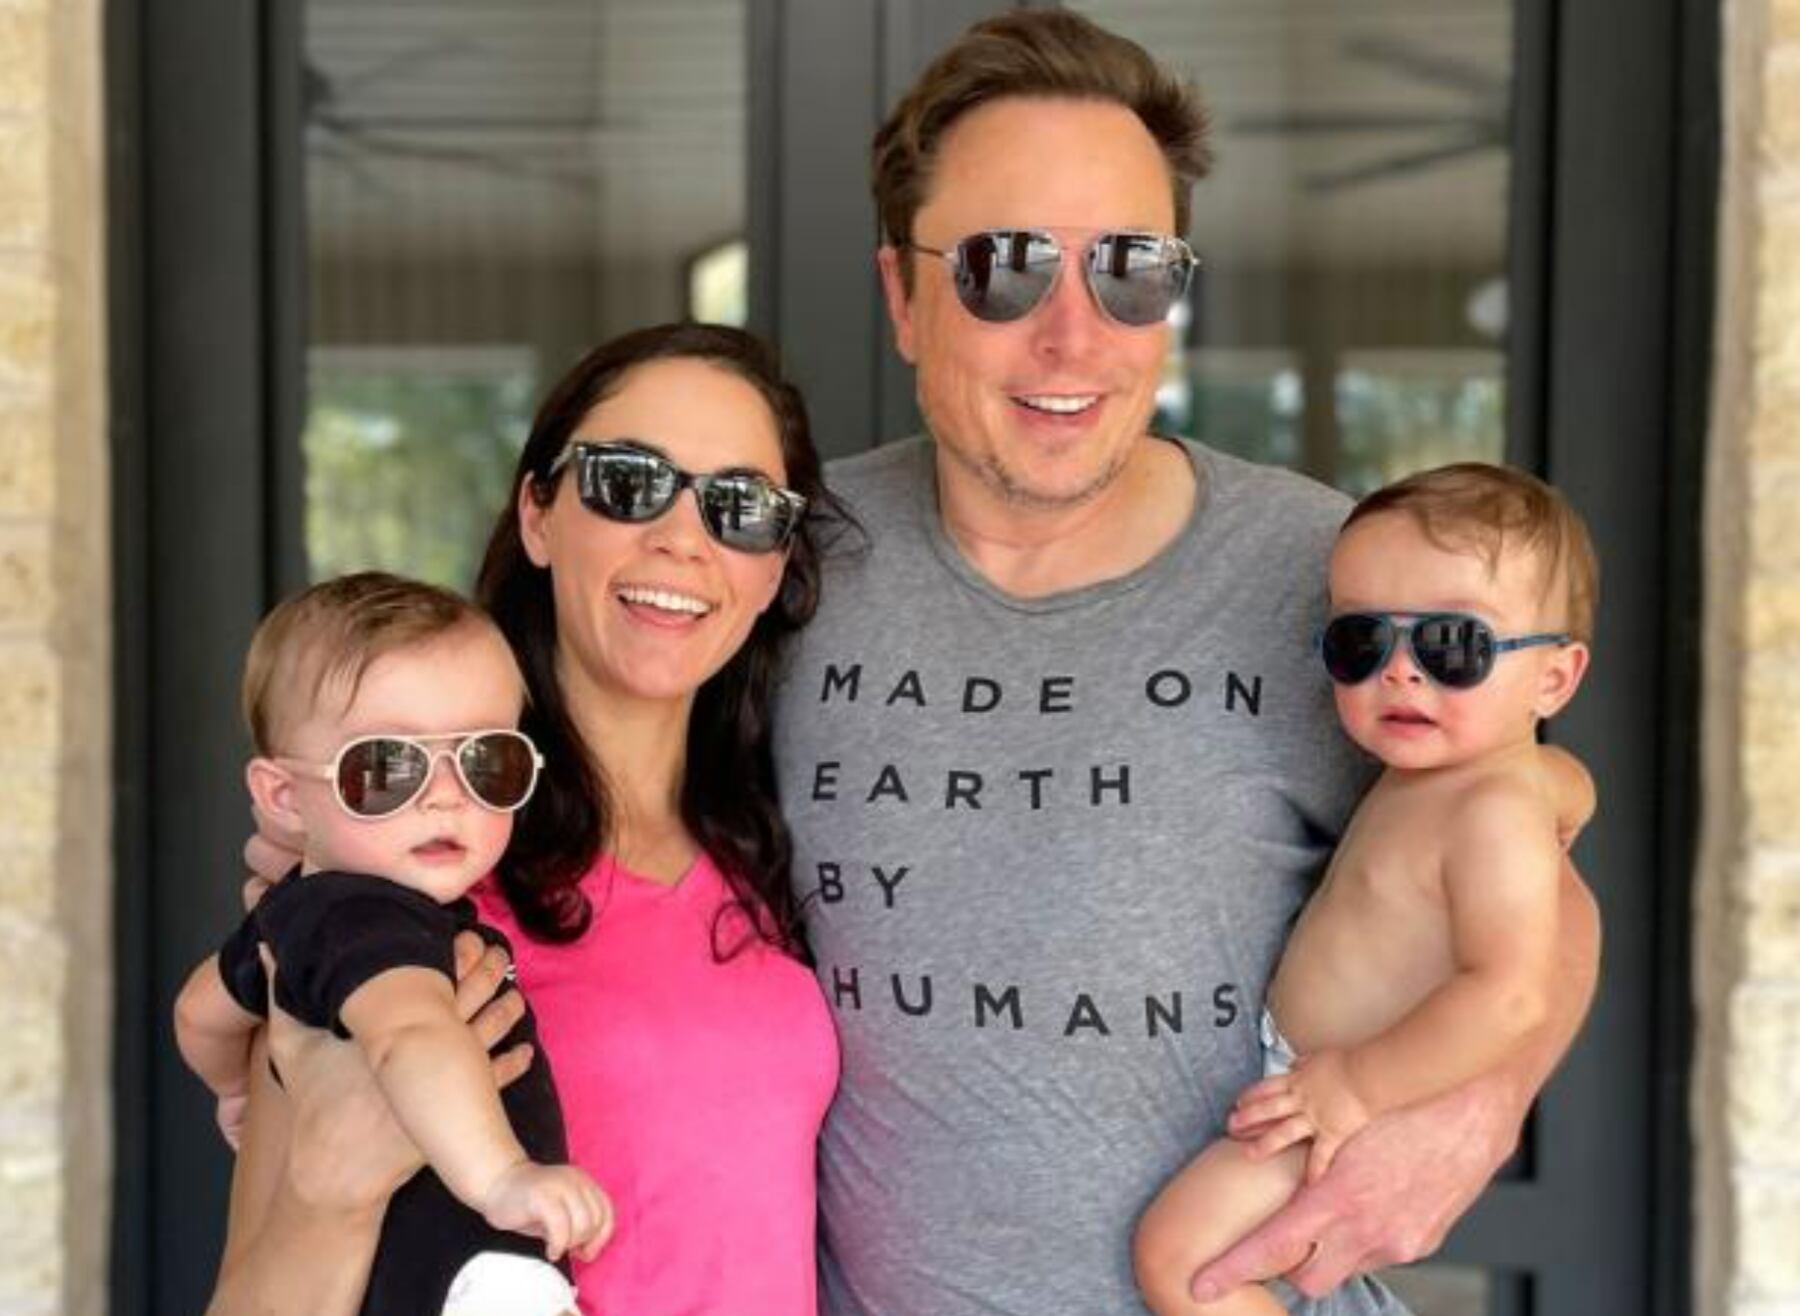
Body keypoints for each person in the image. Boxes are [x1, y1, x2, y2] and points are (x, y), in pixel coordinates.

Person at [767, 11, 1599, 1314]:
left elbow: (1533, 874)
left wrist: (1483, 1103)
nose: (1074, 334)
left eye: (1131, 269)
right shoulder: (783, 564)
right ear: (902, 296)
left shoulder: (1326, 574)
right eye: (1003, 267)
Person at [204, 323, 845, 1316]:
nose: (683, 538)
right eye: (628, 482)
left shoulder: (778, 839)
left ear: (775, 566)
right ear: (538, 514)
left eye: (741, 505)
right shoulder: (412, 867)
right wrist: (333, 1186)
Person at [1130, 464, 1597, 1314]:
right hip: (1314, 1080)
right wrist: (1561, 780)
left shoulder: (1493, 809)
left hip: (1342, 1093)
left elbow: (1510, 995)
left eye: (1454, 645)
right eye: (1361, 642)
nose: (1401, 673)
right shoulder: (1458, 774)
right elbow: (1573, 792)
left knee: (1181, 1262)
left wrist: (1357, 1087)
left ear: (1554, 679)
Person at [175, 572, 610, 1316]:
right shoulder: (373, 918)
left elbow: (198, 1009)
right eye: (385, 768)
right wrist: (502, 1178)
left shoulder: (294, 915)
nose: (444, 794)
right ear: (284, 797)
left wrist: (236, 1088)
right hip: (471, 1272)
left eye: (486, 761)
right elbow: (412, 1034)